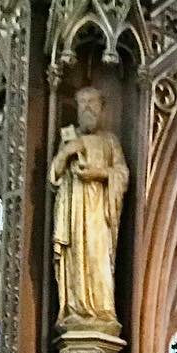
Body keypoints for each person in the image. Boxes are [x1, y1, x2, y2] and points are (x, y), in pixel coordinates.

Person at [49, 86, 128, 333]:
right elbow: (53, 177)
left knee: (97, 256)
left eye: (92, 103)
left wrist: (99, 174)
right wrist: (65, 154)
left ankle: (102, 312)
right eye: (83, 103)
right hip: (73, 213)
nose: (87, 108)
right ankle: (74, 309)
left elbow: (122, 174)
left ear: (102, 108)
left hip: (98, 212)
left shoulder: (110, 141)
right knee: (75, 260)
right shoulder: (69, 139)